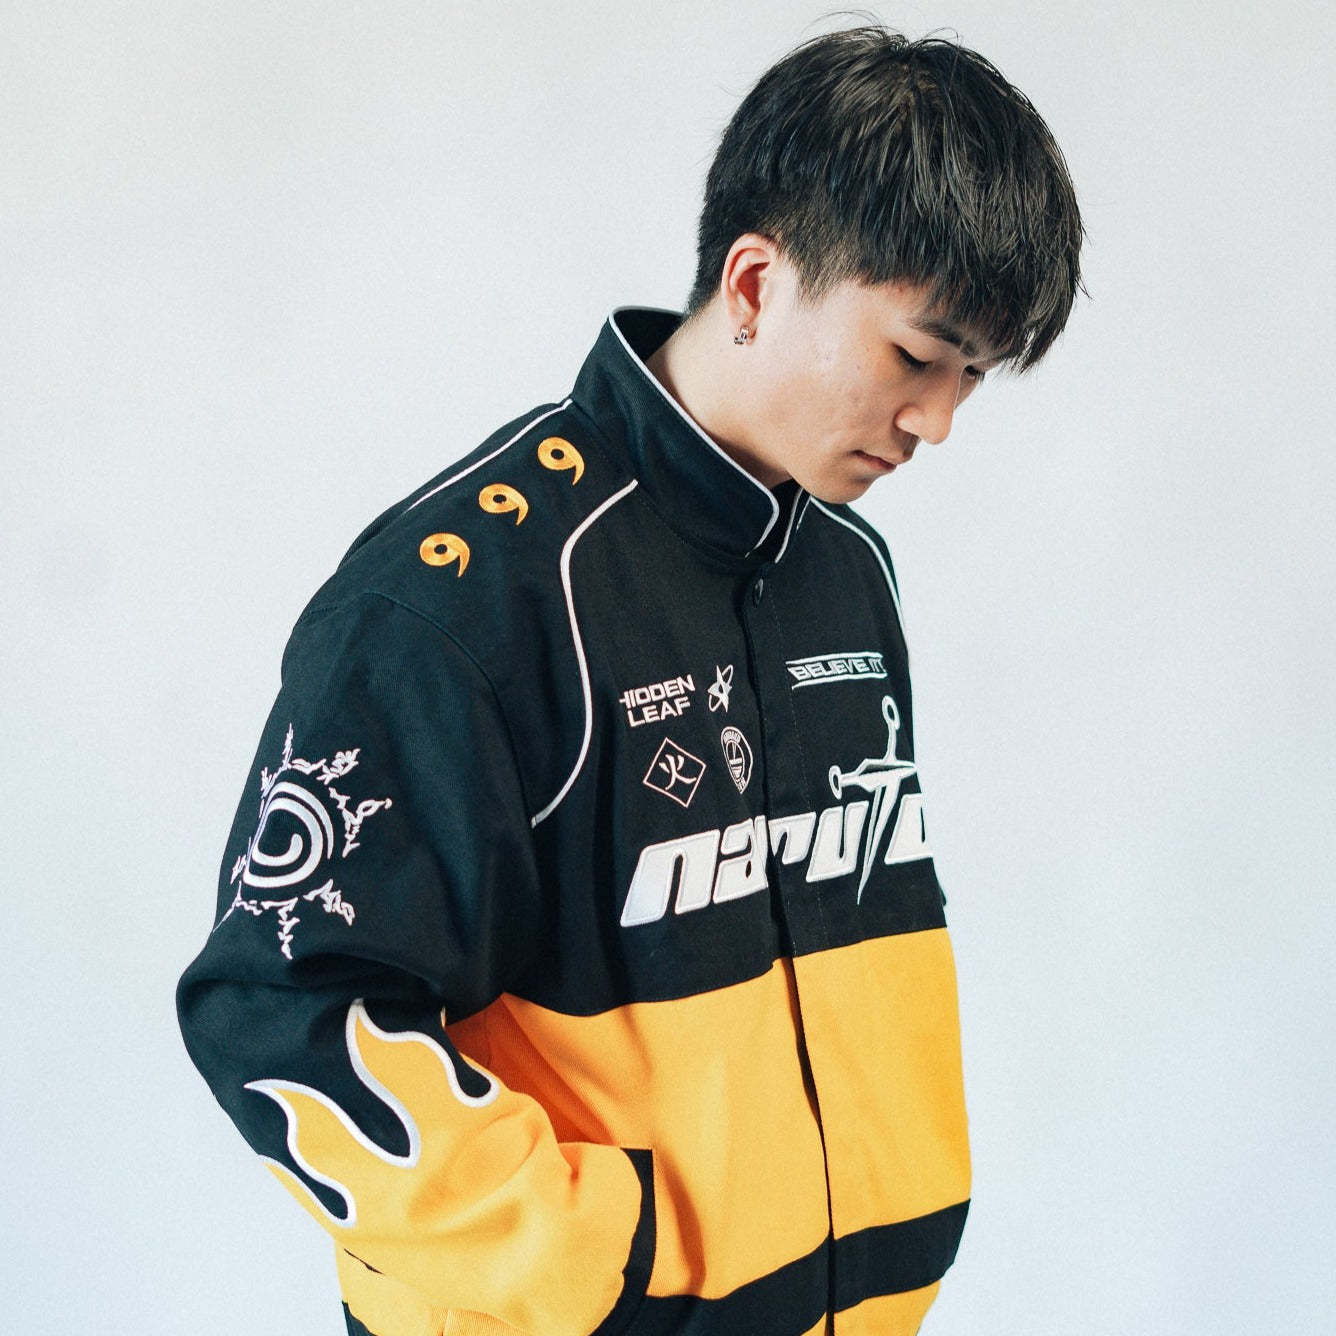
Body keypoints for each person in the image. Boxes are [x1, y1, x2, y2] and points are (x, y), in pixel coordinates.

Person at [177, 22, 1085, 1336]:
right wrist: (593, 1270)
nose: (936, 422)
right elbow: (280, 1004)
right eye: (915, 357)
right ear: (757, 283)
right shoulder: (465, 596)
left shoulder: (847, 571)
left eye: (972, 378)